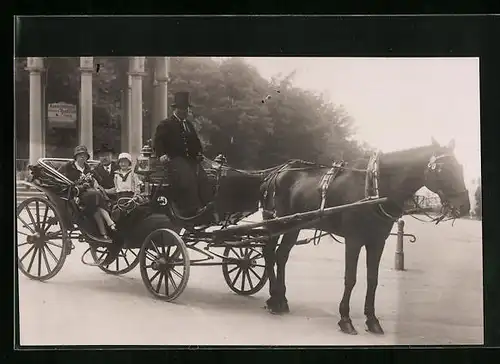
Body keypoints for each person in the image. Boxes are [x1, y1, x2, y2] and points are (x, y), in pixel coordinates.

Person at [153, 91, 213, 218]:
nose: (185, 111)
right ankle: (192, 209)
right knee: (188, 177)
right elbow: (158, 141)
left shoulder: (188, 125)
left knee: (204, 177)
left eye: (186, 109)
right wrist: (161, 155)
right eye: (182, 109)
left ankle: (207, 206)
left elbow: (196, 142)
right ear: (176, 109)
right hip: (174, 159)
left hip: (190, 160)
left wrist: (199, 153)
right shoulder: (166, 124)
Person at [59, 145, 116, 242]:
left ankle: (104, 233)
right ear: (76, 156)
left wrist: (98, 184)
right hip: (75, 194)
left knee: (97, 203)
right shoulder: (68, 166)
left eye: (84, 155)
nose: (82, 157)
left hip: (90, 194)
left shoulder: (88, 168)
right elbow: (60, 179)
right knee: (96, 194)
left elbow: (99, 180)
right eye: (80, 155)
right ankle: (109, 222)